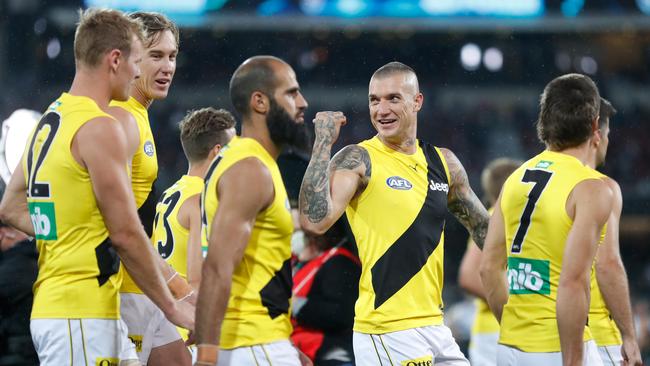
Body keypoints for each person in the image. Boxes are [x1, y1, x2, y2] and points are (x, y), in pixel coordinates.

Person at [0, 8, 192, 365]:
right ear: (115, 60)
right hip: (81, 309)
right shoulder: (102, 126)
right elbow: (125, 233)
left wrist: (70, 234)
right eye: (141, 59)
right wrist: (174, 303)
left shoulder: (52, 117)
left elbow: (11, 207)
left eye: (170, 56)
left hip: (69, 305)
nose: (138, 72)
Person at [299, 61, 489, 366]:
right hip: (386, 329)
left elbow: (486, 233)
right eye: (374, 100)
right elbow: (314, 220)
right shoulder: (358, 158)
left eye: (393, 98)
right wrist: (323, 142)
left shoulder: (445, 163)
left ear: (417, 101)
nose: (381, 110)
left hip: (435, 325)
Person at [480, 73, 612, 366]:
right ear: (594, 126)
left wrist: (516, 331)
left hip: (510, 347)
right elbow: (573, 282)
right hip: (560, 348)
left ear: (544, 122)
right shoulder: (591, 188)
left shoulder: (514, 180)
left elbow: (488, 269)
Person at [194, 55, 311, 366]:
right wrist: (206, 357)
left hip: (257, 342)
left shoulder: (246, 161)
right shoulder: (251, 169)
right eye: (291, 93)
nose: (302, 102)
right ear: (260, 102)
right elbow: (217, 267)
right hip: (251, 343)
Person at [106, 11, 195, 366]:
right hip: (122, 292)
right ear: (129, 59)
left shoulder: (139, 114)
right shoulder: (120, 118)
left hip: (145, 287)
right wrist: (177, 286)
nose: (167, 67)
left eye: (172, 56)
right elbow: (118, 226)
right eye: (156, 56)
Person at [152, 107, 236, 351]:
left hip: (165, 325)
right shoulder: (203, 201)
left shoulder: (172, 193)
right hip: (192, 329)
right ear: (218, 152)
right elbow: (198, 279)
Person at [588, 98, 642, 366]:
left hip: (528, 337)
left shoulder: (518, 181)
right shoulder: (600, 187)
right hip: (594, 334)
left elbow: (491, 267)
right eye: (607, 134)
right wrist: (629, 336)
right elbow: (607, 264)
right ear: (597, 134)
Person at [458, 158, 521, 366]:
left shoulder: (505, 218)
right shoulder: (495, 219)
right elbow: (469, 276)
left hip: (498, 332)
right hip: (496, 332)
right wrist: (515, 309)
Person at [291, 216, 360, 366]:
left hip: (329, 355)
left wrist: (295, 304)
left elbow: (340, 314)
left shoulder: (339, 263)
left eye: (300, 233)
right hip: (304, 351)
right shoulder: (308, 263)